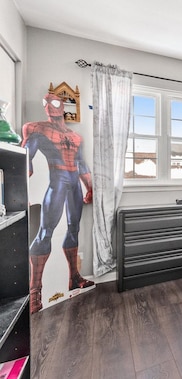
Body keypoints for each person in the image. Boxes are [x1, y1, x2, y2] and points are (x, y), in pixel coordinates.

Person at [22, 92, 94, 313]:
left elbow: (81, 164)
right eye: (45, 102)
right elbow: (26, 157)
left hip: (74, 182)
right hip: (57, 180)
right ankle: (35, 292)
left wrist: (90, 187)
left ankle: (73, 277)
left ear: (63, 106)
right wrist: (24, 183)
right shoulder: (36, 128)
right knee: (45, 231)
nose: (49, 106)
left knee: (73, 229)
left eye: (54, 102)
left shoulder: (75, 136)